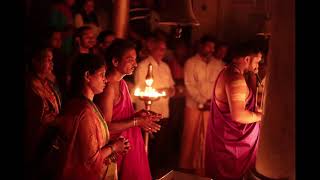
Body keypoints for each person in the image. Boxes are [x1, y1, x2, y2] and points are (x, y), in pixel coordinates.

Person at [55, 54, 130, 180]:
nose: (105, 80)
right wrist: (115, 147)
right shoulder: (84, 110)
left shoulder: (83, 104)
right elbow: (90, 160)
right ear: (87, 76)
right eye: (101, 75)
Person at [94, 39, 161, 180]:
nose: (135, 64)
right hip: (118, 148)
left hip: (130, 144)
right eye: (130, 60)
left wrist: (140, 115)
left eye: (135, 60)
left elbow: (120, 114)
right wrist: (137, 121)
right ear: (115, 62)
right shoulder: (108, 87)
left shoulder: (122, 83)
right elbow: (105, 126)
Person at [205, 42, 264, 180]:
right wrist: (262, 116)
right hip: (233, 147)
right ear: (247, 59)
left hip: (230, 141)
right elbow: (238, 115)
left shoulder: (230, 72)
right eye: (257, 61)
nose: (258, 66)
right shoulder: (235, 78)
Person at [179, 35, 217, 176]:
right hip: (193, 105)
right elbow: (189, 85)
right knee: (190, 135)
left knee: (207, 137)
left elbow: (217, 85)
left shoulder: (217, 64)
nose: (211, 50)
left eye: (213, 47)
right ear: (201, 46)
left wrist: (211, 101)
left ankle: (204, 167)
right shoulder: (191, 63)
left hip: (211, 106)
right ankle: (186, 168)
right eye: (208, 46)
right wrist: (202, 100)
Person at [24, 47, 62, 179]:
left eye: (52, 60)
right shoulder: (29, 85)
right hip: (35, 139)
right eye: (48, 60)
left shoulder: (49, 83)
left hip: (51, 139)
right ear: (35, 61)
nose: (52, 64)